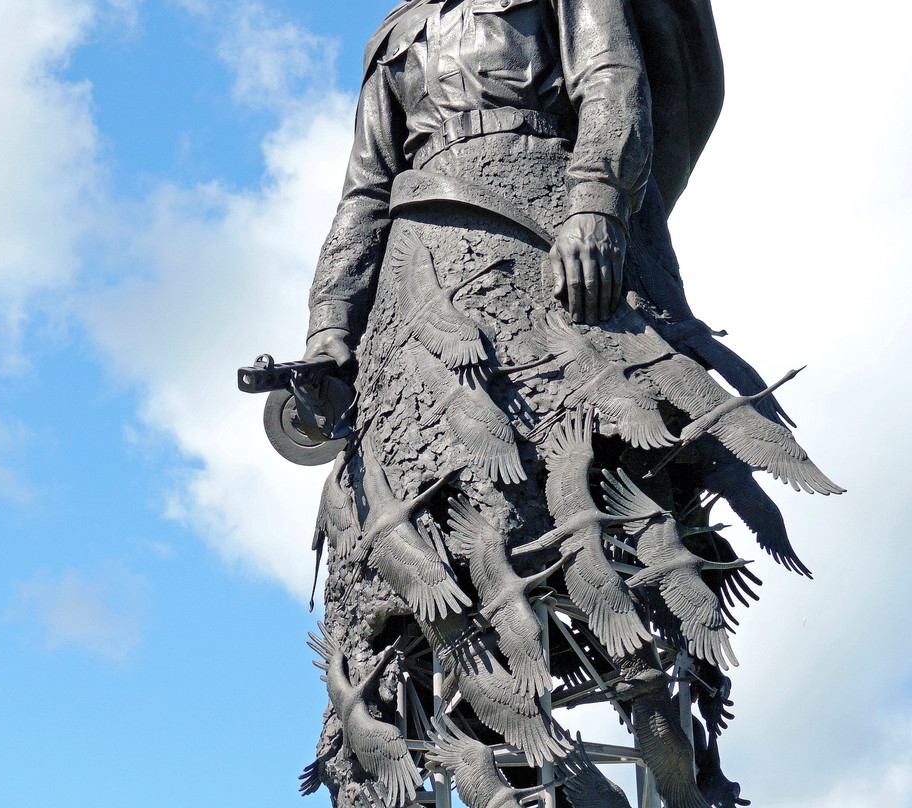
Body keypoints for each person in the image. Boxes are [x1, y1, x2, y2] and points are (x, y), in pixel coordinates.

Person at [297, 2, 835, 806]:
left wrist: (594, 203)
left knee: (602, 513)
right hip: (418, 297)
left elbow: (613, 80)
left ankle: (653, 740)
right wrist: (328, 328)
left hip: (547, 254)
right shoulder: (393, 38)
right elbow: (364, 192)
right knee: (422, 548)